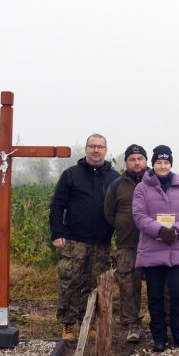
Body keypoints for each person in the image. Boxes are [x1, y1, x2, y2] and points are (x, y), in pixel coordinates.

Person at [49, 133, 120, 342]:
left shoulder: (114, 177)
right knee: (70, 282)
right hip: (74, 239)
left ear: (106, 150)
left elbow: (121, 208)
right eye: (92, 146)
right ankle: (68, 324)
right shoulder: (71, 174)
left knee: (95, 285)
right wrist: (57, 232)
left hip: (102, 241)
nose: (96, 150)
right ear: (86, 149)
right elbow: (57, 205)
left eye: (100, 147)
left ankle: (87, 323)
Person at [133, 145, 179, 352]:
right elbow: (139, 215)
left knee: (178, 294)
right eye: (159, 162)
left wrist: (176, 230)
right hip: (153, 248)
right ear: (153, 164)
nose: (162, 166)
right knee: (155, 296)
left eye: (166, 162)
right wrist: (160, 231)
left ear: (171, 164)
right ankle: (159, 337)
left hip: (177, 248)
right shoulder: (142, 187)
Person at [104, 144, 148, 343]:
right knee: (128, 285)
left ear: (146, 161)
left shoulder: (155, 181)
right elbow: (109, 213)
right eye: (132, 159)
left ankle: (163, 324)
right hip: (127, 244)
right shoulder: (116, 186)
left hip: (155, 244)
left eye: (140, 159)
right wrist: (125, 226)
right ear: (126, 162)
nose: (136, 162)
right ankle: (132, 324)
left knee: (162, 285)